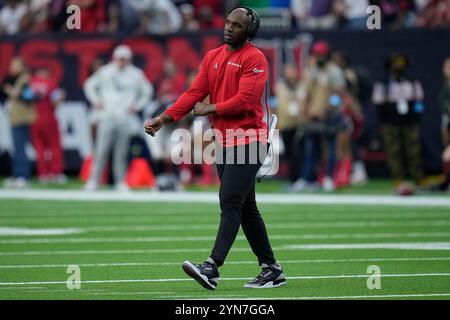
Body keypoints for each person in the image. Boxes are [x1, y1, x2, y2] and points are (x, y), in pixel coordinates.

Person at [144, 7, 286, 290]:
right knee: (246, 208)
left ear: (249, 31)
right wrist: (164, 118)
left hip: (249, 139)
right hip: (224, 140)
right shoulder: (213, 56)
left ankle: (212, 266)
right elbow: (194, 92)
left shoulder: (255, 57)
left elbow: (246, 100)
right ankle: (271, 268)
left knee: (230, 202)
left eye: (237, 25)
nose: (229, 28)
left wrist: (210, 108)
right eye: (228, 23)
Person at [83, 44, 153, 191]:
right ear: (115, 58)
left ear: (129, 59)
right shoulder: (105, 72)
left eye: (124, 59)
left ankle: (120, 181)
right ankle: (93, 181)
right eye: (120, 59)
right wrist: (96, 101)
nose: (122, 62)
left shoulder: (135, 74)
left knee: (121, 152)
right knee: (101, 150)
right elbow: (89, 85)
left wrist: (138, 105)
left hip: (125, 118)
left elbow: (147, 91)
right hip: (108, 116)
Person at [372, 53, 425, 195]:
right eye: (395, 65)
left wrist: (416, 117)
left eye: (401, 65)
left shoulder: (412, 83)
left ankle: (419, 180)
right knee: (394, 153)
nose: (398, 68)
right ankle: (398, 181)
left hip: (410, 122)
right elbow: (378, 106)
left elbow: (419, 104)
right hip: (390, 123)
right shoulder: (383, 85)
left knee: (413, 152)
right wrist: (382, 124)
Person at [2, 57, 36, 188]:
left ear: (22, 66)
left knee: (21, 148)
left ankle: (23, 175)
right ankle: (17, 175)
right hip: (14, 117)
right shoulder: (12, 79)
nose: (13, 68)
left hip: (22, 117)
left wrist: (11, 91)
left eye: (16, 65)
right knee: (16, 148)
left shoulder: (25, 79)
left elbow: (27, 96)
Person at [29, 67, 66, 184]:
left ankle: (43, 174)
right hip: (49, 118)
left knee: (39, 148)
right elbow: (55, 101)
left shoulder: (31, 82)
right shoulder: (50, 82)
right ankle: (55, 173)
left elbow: (26, 98)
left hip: (34, 119)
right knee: (54, 146)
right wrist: (61, 97)